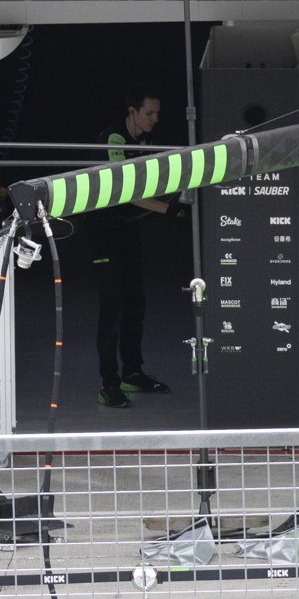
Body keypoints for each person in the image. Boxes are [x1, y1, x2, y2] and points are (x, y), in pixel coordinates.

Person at [90, 85, 183, 410]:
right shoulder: (114, 138)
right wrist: (168, 209)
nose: (155, 119)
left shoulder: (144, 140)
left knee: (135, 305)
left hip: (127, 231)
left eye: (157, 113)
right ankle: (109, 384)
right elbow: (124, 190)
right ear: (133, 111)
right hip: (103, 232)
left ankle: (132, 372)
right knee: (112, 309)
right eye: (149, 113)